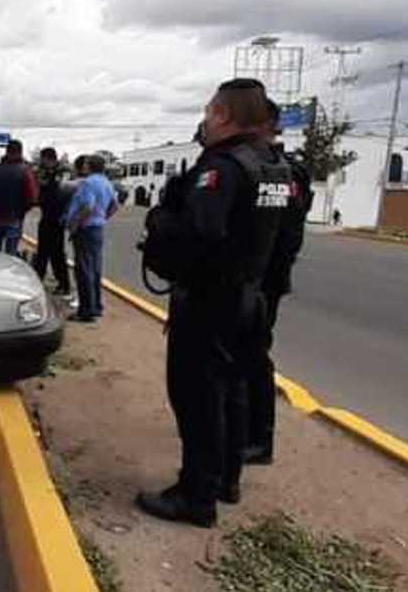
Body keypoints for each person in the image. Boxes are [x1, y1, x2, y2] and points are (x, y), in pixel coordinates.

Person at [135, 78, 292, 527]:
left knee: (197, 398)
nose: (204, 120)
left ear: (223, 114)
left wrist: (161, 220)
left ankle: (195, 497)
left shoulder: (221, 167)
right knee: (233, 393)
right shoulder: (274, 166)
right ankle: (227, 479)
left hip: (209, 301)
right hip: (250, 297)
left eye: (209, 111)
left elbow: (198, 233)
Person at [242, 100, 314, 466]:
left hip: (263, 281)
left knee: (252, 356)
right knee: (238, 357)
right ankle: (239, 430)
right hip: (251, 277)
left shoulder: (285, 172)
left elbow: (286, 232)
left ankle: (257, 439)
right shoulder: (263, 167)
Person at [63, 154, 118, 322]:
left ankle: (86, 311)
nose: (83, 166)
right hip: (97, 228)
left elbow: (87, 206)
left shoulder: (88, 183)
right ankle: (96, 306)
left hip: (85, 229)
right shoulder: (106, 182)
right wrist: (102, 218)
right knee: (94, 268)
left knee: (84, 270)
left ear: (90, 166)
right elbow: (115, 205)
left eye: (86, 164)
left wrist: (74, 225)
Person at [0, 139, 38, 256]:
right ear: (20, 152)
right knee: (11, 255)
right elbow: (32, 198)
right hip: (14, 218)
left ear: (6, 151)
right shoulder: (25, 171)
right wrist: (22, 211)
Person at [32, 147, 72, 296]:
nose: (41, 163)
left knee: (56, 254)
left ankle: (63, 284)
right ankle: (39, 280)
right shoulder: (46, 172)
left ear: (49, 159)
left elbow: (59, 192)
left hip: (56, 218)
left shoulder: (62, 173)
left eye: (43, 160)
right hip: (47, 216)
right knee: (43, 252)